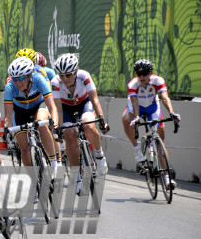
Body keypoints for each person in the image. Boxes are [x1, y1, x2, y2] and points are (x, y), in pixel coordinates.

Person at [51, 54, 109, 194]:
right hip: (66, 108)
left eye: (68, 74)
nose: (65, 79)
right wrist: (58, 128)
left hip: (84, 104)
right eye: (62, 75)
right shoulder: (55, 83)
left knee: (89, 126)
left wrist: (101, 119)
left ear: (76, 71)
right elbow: (58, 109)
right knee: (69, 135)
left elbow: (94, 100)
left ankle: (99, 156)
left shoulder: (84, 76)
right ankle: (76, 178)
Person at [4, 57, 60, 202]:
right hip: (20, 113)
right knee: (24, 148)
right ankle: (33, 183)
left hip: (39, 107)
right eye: (14, 78)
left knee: (41, 122)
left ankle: (53, 163)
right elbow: (9, 115)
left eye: (21, 77)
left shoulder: (39, 80)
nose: (18, 82)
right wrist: (8, 130)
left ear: (29, 75)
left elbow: (52, 107)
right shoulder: (10, 87)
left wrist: (55, 125)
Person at [122, 59, 180, 189]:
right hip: (136, 107)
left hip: (152, 107)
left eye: (145, 73)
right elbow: (135, 103)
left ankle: (166, 177)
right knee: (126, 118)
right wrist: (136, 118)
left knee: (160, 141)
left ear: (151, 73)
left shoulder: (158, 81)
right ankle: (137, 148)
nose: (142, 76)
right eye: (139, 74)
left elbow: (164, 97)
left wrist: (171, 113)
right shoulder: (133, 84)